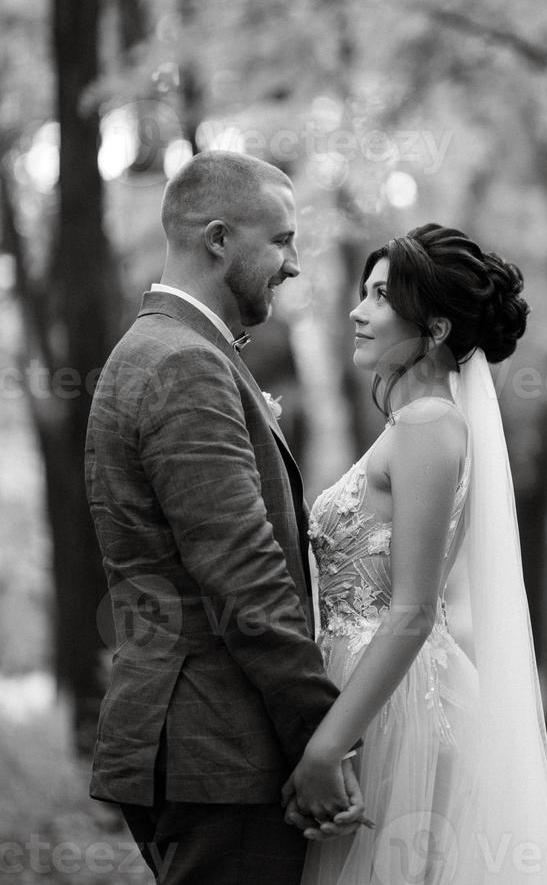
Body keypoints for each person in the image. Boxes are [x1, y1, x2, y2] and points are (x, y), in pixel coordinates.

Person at [85, 150, 364, 885]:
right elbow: (241, 571)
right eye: (281, 240)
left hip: (196, 742)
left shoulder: (168, 349)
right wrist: (321, 735)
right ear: (217, 238)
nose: (295, 264)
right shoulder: (183, 362)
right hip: (220, 746)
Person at [283, 224, 547, 884]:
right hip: (377, 687)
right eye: (363, 293)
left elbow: (414, 609)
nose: (359, 310)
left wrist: (328, 746)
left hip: (395, 708)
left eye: (382, 297)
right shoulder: (418, 424)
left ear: (437, 328)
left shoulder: (428, 426)